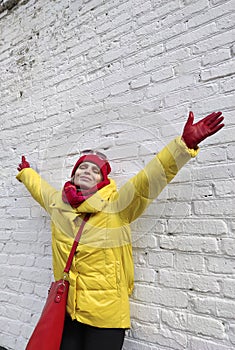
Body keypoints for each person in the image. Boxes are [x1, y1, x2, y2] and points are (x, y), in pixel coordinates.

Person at [17, 111, 224, 350]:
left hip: (106, 316)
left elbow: (148, 180)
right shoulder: (57, 204)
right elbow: (39, 189)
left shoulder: (117, 206)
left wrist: (183, 145)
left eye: (96, 171)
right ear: (73, 175)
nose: (87, 172)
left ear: (103, 181)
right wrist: (26, 173)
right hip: (67, 311)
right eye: (82, 168)